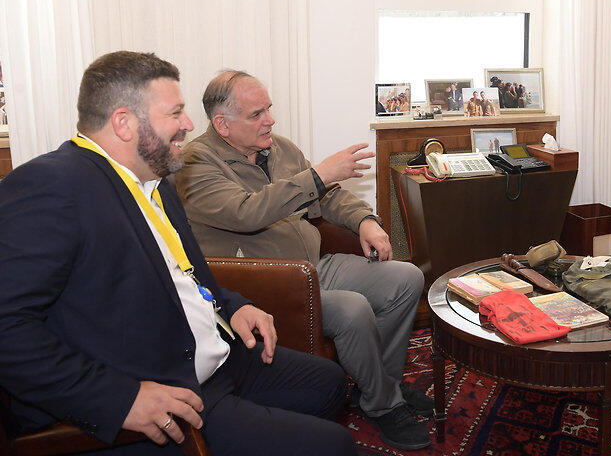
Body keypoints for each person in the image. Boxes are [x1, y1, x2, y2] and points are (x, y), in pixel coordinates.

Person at [0, 51, 355, 455]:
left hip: (216, 357)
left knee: (329, 383)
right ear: (124, 123)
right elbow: (7, 325)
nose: (189, 124)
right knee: (336, 445)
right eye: (176, 113)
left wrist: (232, 305)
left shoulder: (156, 182)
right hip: (166, 390)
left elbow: (186, 275)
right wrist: (119, 399)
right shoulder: (51, 187)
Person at [174, 70, 431, 451]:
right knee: (352, 308)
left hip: (314, 265)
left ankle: (378, 387)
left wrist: (365, 220)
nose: (270, 120)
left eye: (270, 109)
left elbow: (326, 195)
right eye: (257, 114)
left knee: (405, 278)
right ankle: (384, 406)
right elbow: (247, 212)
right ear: (222, 124)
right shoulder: (196, 164)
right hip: (263, 284)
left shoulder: (278, 147)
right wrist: (318, 175)